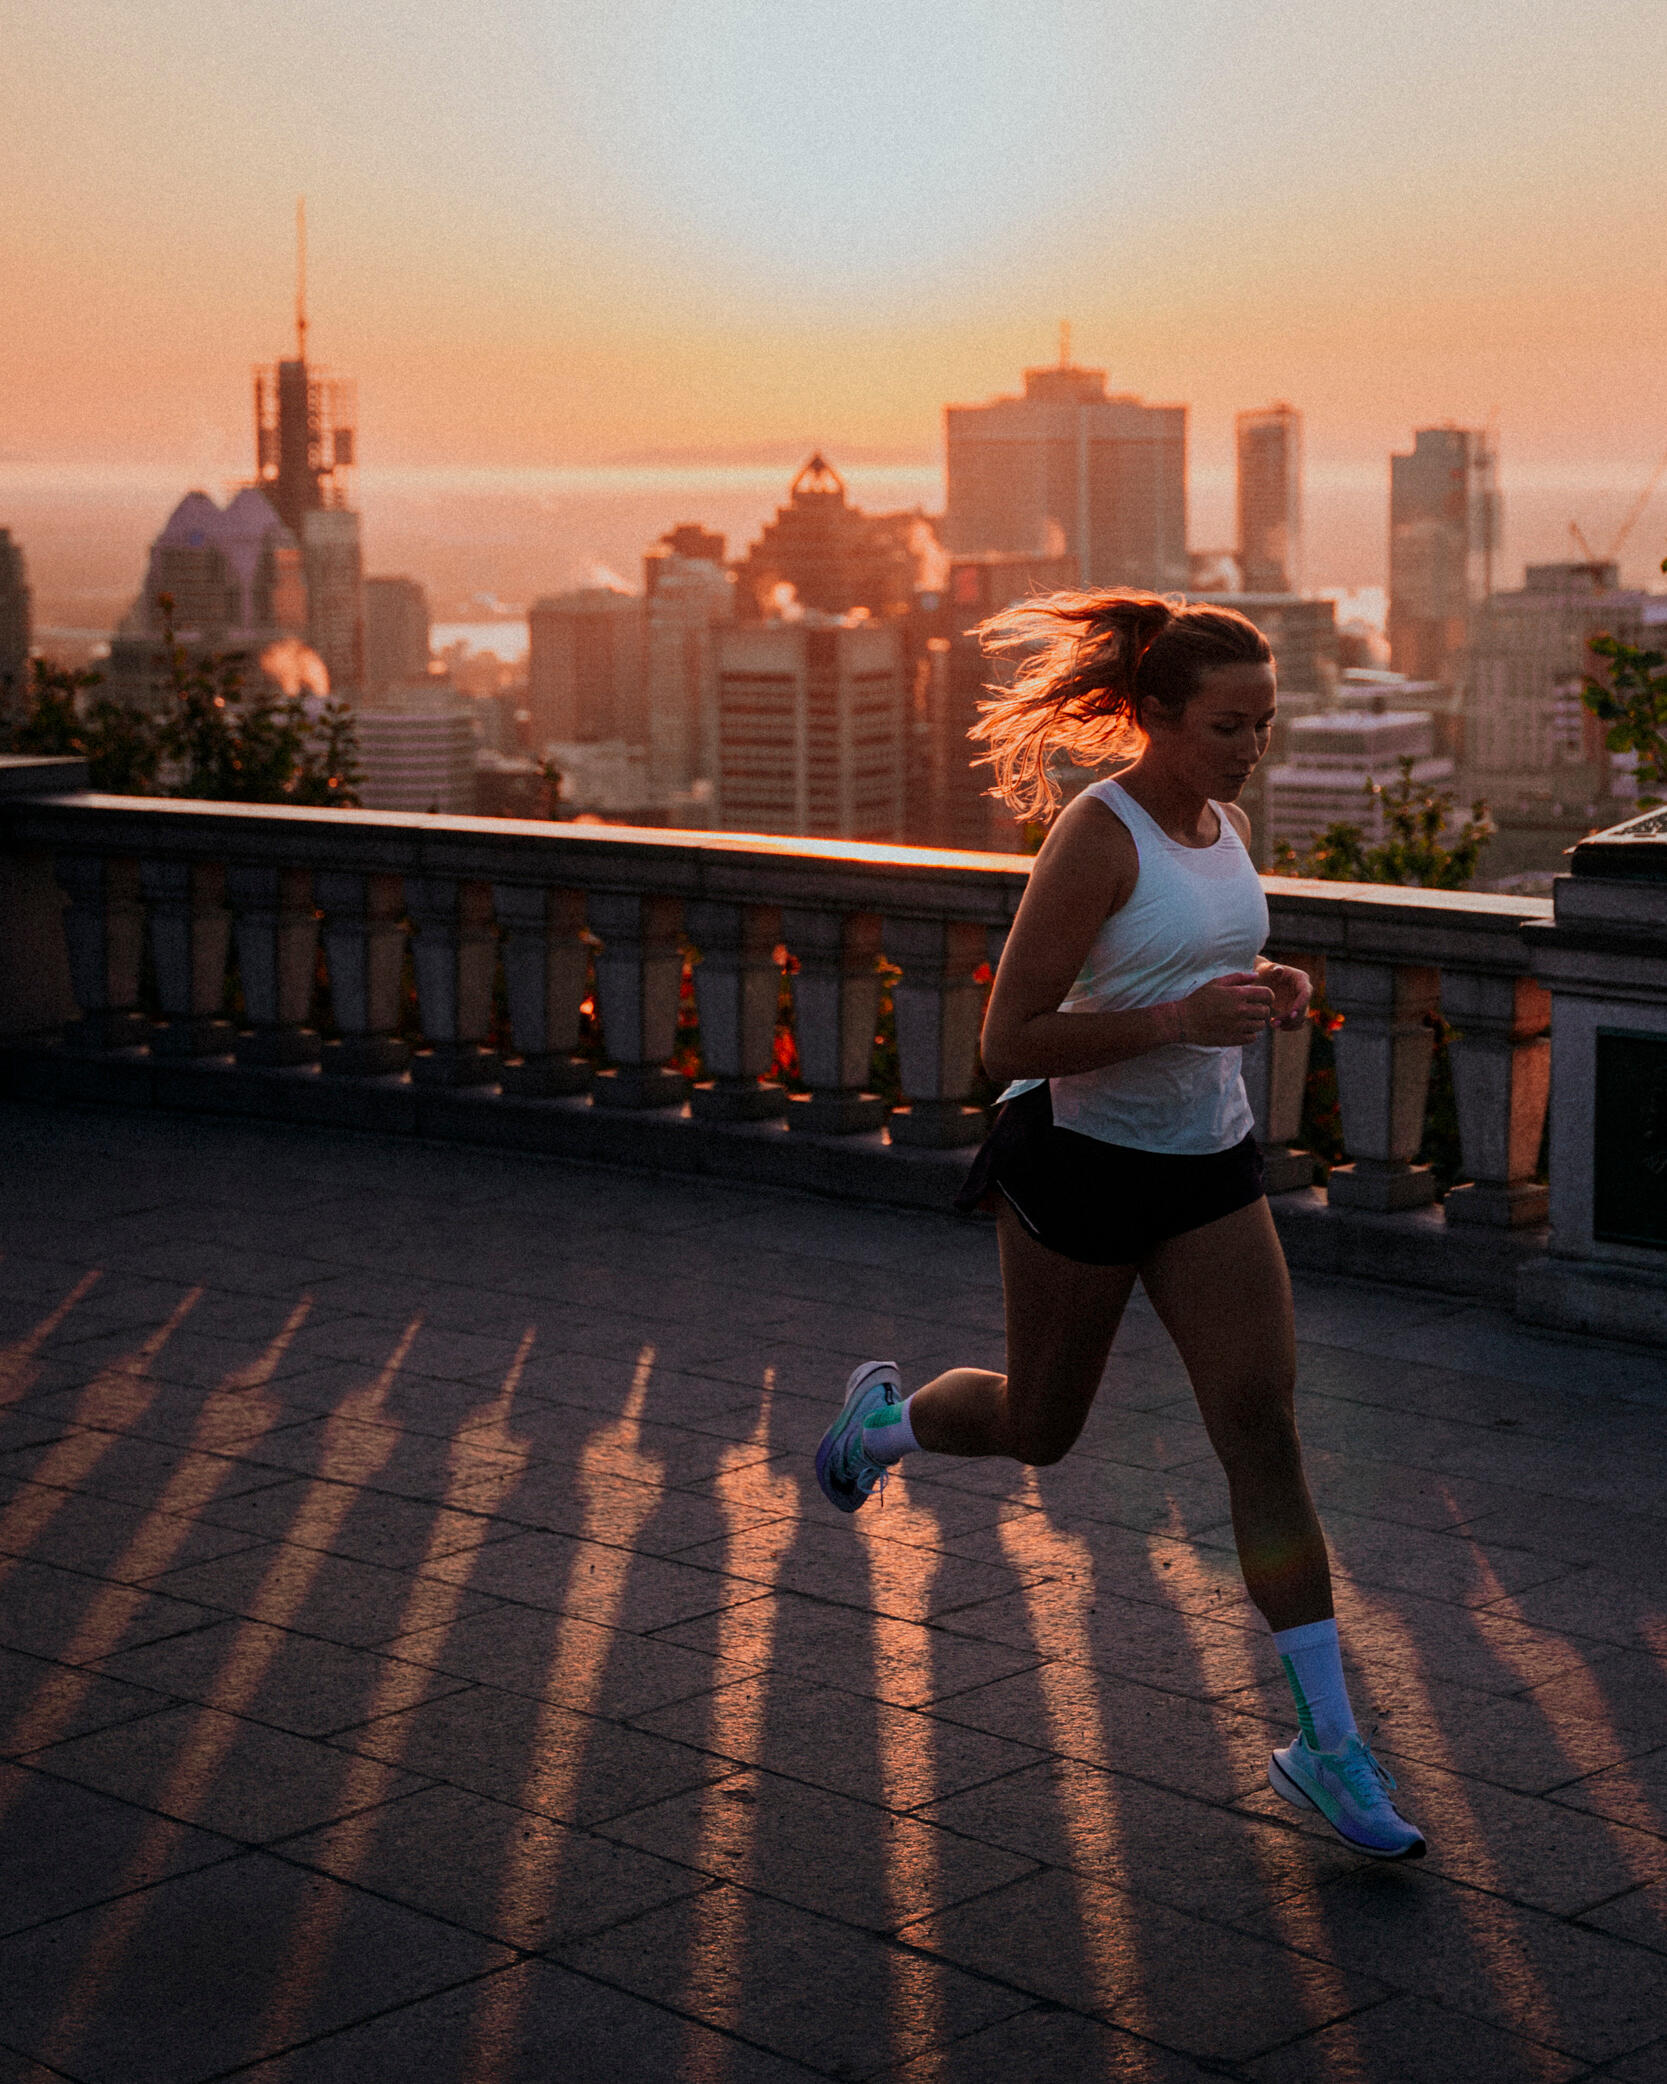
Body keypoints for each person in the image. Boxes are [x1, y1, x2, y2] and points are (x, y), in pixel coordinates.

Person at [814, 590, 1424, 1862]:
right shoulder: (1095, 835)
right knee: (1039, 1427)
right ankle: (885, 1422)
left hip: (1206, 1163)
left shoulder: (1226, 823)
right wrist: (1169, 1023)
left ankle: (1325, 1742)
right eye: (1223, 725)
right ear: (1150, 713)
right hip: (1081, 1162)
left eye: (1262, 724)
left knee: (1261, 1432)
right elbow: (1006, 1041)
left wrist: (1270, 986)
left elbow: (1191, 962)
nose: (1246, 748)